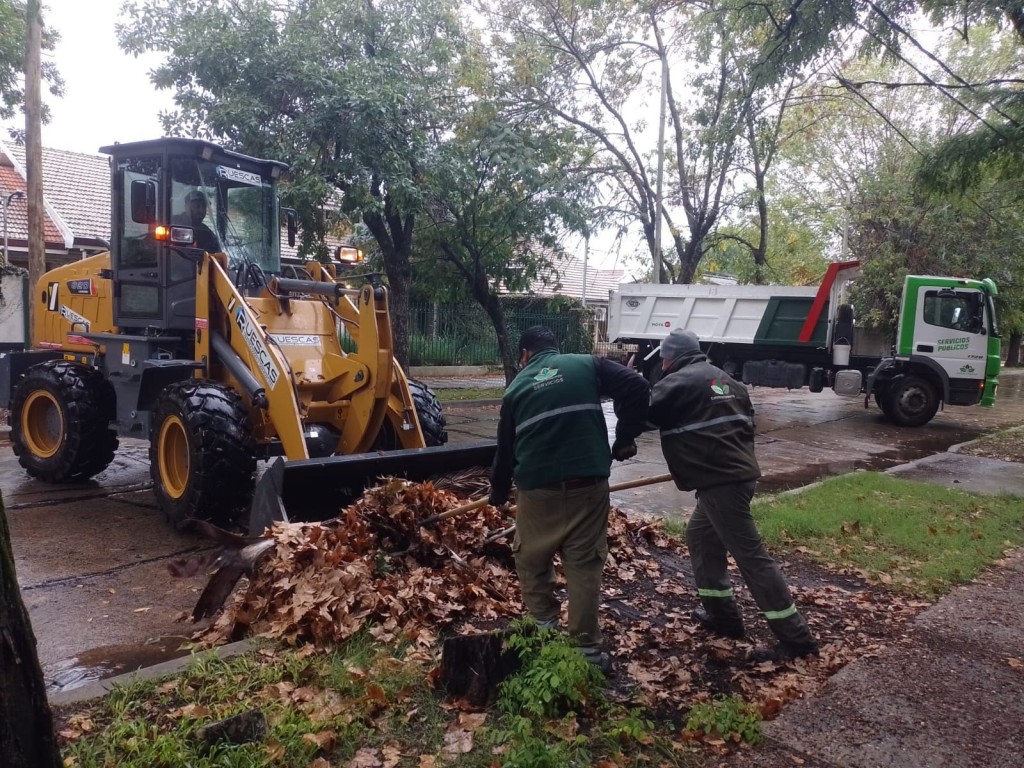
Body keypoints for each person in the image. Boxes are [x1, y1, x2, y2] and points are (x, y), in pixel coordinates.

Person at [648, 328, 819, 662]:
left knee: (752, 558)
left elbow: (643, 411)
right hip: (740, 477)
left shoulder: (677, 381)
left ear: (670, 358)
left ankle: (797, 640)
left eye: (664, 359)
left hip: (720, 483)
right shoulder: (729, 382)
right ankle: (723, 617)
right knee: (700, 536)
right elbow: (744, 426)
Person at [489, 325, 650, 671]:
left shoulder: (516, 388)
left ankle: (543, 635)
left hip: (538, 491)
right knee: (583, 565)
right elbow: (637, 385)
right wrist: (624, 438)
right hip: (588, 485)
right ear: (555, 349)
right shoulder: (586, 365)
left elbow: (505, 450)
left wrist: (498, 492)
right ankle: (586, 653)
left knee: (532, 559)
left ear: (524, 356)